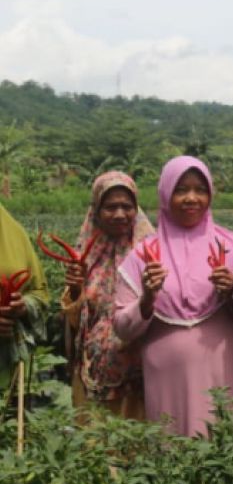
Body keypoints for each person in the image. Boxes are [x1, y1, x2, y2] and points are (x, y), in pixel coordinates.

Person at [113, 158, 233, 436]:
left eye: (200, 189)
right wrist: (146, 300)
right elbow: (121, 327)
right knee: (175, 453)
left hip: (227, 366)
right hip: (168, 376)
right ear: (166, 194)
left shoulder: (232, 246)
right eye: (181, 190)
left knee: (231, 443)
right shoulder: (143, 255)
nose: (192, 198)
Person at [60, 171, 155, 417]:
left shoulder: (152, 252)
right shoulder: (84, 257)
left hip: (140, 377)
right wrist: (75, 289)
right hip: (93, 373)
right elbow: (74, 320)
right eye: (110, 207)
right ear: (96, 210)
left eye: (127, 206)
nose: (120, 214)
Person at [0, 203, 50, 390]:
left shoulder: (13, 233)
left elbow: (39, 292)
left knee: (12, 416)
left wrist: (23, 306)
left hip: (9, 360)